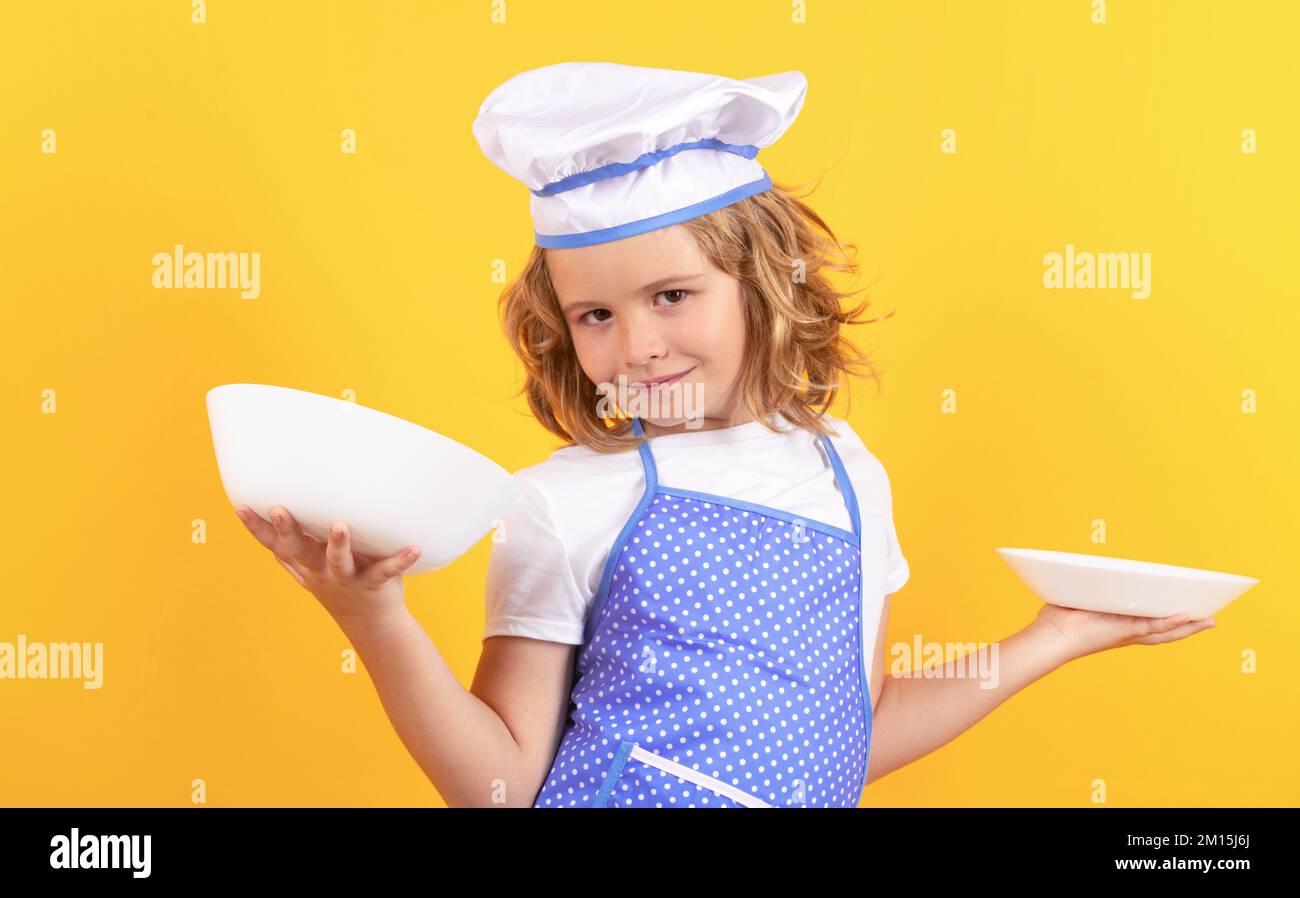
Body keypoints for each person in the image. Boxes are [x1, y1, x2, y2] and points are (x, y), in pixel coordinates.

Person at [234, 62, 1215, 808]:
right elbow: (496, 784)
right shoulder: (569, 499)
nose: (637, 347)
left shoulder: (848, 477)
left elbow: (848, 735)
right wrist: (376, 619)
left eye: (670, 296)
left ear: (765, 285)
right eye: (596, 316)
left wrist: (1054, 636)